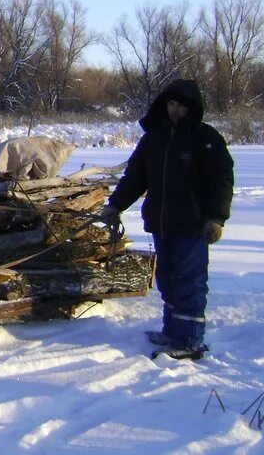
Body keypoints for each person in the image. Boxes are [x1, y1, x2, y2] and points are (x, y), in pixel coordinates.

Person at [99, 79, 234, 360]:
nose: (175, 111)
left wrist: (216, 219)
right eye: (171, 104)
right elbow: (136, 177)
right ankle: (173, 331)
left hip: (193, 225)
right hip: (162, 223)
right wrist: (115, 205)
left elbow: (220, 181)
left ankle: (191, 340)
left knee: (189, 280)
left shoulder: (206, 139)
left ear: (192, 108)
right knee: (167, 278)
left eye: (181, 106)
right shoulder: (154, 139)